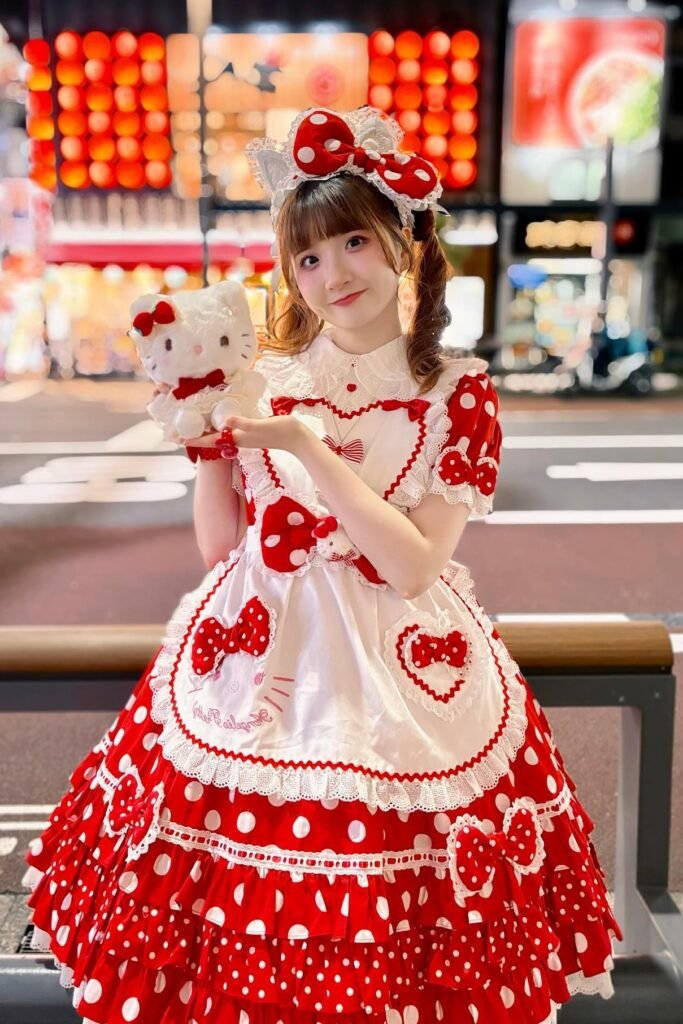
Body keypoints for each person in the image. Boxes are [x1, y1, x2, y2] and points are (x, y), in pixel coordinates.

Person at [23, 106, 621, 1024]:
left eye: (350, 242)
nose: (331, 274)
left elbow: (415, 564)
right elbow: (224, 553)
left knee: (399, 909)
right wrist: (210, 452)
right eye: (306, 258)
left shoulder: (456, 393)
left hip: (397, 661)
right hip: (251, 648)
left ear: (402, 242)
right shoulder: (263, 374)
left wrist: (305, 447)